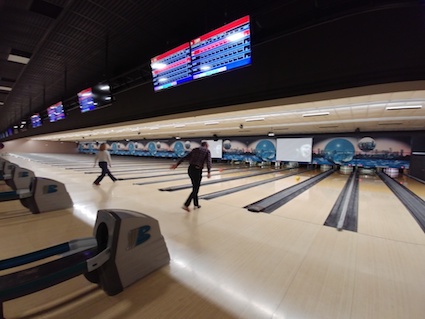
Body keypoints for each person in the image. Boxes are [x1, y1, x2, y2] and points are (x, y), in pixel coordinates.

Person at [170, 141, 212, 212]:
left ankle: (196, 204)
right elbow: (208, 161)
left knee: (195, 187)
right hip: (197, 170)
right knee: (196, 188)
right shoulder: (207, 151)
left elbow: (185, 157)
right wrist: (208, 172)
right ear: (206, 145)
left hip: (190, 169)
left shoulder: (195, 149)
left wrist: (177, 164)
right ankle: (186, 205)